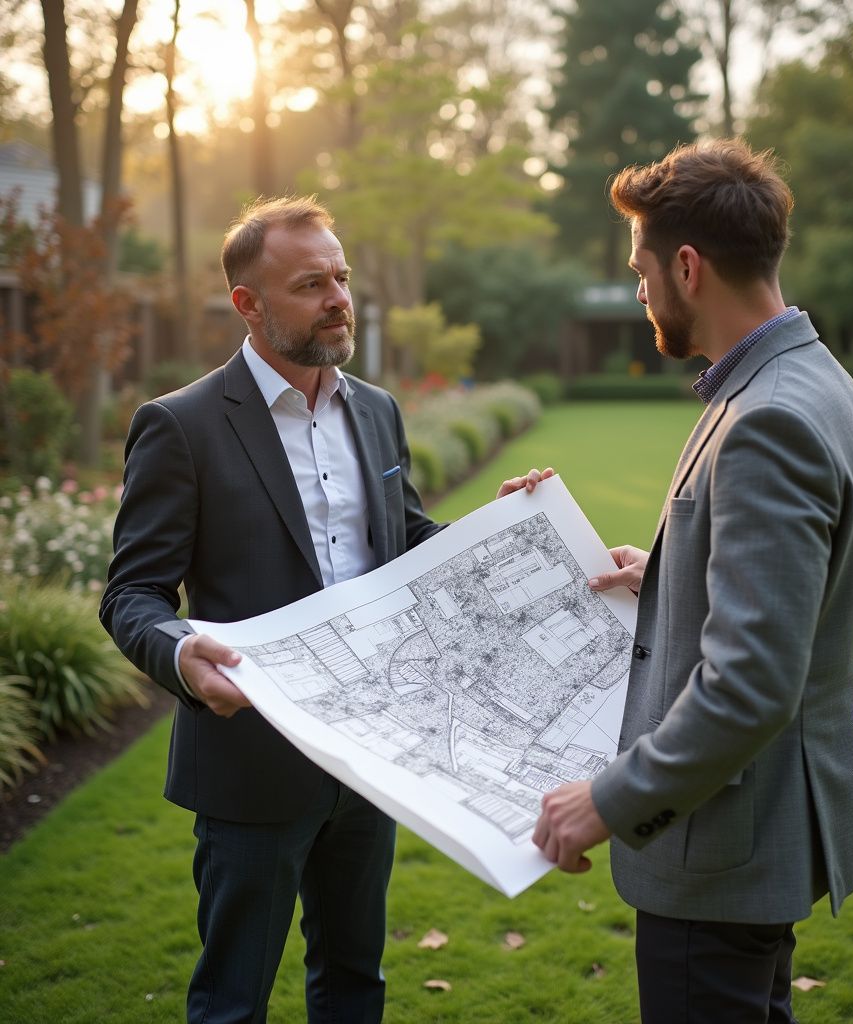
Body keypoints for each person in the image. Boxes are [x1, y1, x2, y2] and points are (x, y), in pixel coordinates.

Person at [101, 195, 549, 1024]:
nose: (338, 297)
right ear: (249, 303)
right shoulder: (181, 426)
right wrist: (179, 659)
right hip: (249, 765)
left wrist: (505, 536)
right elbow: (131, 594)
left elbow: (405, 537)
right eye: (312, 284)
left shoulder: (376, 411)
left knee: (355, 982)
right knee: (233, 999)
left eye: (340, 278)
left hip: (374, 759)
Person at [532, 139, 853, 1023]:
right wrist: (668, 575)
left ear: (686, 266)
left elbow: (753, 682)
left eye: (641, 269)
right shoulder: (810, 379)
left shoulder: (768, 420)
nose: (640, 289)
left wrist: (605, 800)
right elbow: (792, 588)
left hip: (720, 850)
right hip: (758, 839)